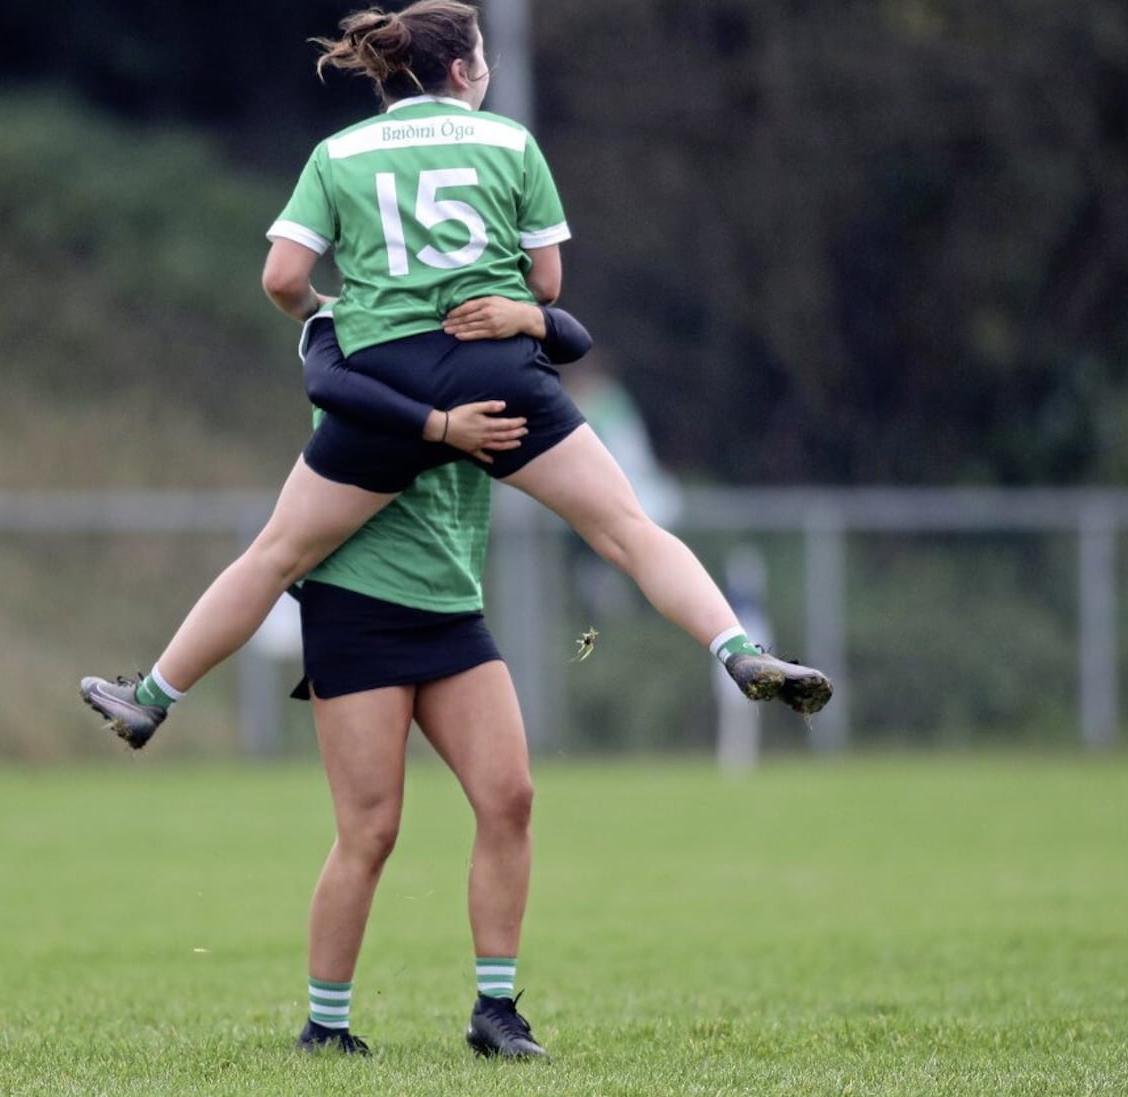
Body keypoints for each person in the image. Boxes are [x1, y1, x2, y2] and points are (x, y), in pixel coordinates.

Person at [81, 0, 829, 766]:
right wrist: (514, 313)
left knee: (275, 556)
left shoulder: (338, 152)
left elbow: (281, 278)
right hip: (497, 372)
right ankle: (738, 648)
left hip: (386, 388)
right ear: (464, 69)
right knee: (626, 530)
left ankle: (152, 697)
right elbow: (546, 285)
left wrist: (323, 313)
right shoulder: (511, 141)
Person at [286, 295, 590, 1059]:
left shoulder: (478, 328)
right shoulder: (349, 334)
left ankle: (496, 1010)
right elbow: (324, 379)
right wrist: (443, 427)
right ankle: (325, 1026)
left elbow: (570, 336)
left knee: (510, 795)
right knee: (371, 827)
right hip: (357, 605)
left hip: (450, 608)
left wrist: (528, 318)